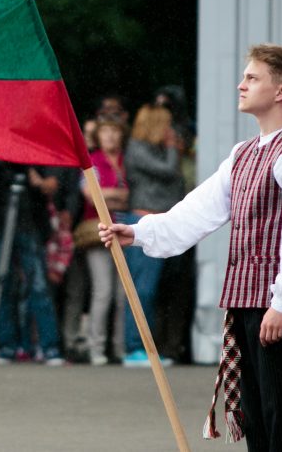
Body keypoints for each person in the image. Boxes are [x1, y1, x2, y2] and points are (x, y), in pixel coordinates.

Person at [100, 45, 282, 450]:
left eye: (253, 78)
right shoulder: (242, 155)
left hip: (279, 305)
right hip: (246, 302)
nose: (241, 85)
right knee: (258, 422)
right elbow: (197, 211)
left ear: (281, 91)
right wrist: (139, 232)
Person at [0, 155, 64, 366]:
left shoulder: (32, 143)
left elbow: (52, 185)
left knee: (38, 285)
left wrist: (35, 179)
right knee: (0, 285)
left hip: (30, 221)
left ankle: (50, 348)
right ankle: (6, 346)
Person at [121, 104, 185, 367]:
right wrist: (172, 147)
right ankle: (134, 347)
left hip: (162, 222)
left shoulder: (153, 150)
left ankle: (150, 347)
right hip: (142, 221)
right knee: (142, 289)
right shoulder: (137, 148)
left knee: (158, 290)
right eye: (166, 124)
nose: (170, 130)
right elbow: (169, 171)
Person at [78, 118, 128, 366]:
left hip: (126, 231)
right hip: (98, 233)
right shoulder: (91, 161)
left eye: (114, 131)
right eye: (105, 132)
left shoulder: (125, 161)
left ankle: (119, 348)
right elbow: (91, 195)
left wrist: (109, 195)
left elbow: (130, 196)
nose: (109, 136)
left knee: (123, 293)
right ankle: (96, 346)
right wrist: (117, 196)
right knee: (103, 291)